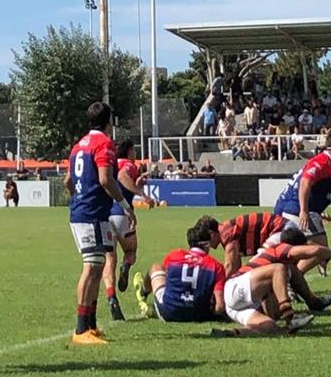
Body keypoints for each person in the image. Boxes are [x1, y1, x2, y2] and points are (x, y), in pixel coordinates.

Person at [65, 101, 135, 345]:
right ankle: (81, 329)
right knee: (92, 267)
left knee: (97, 266)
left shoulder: (78, 146)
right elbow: (106, 179)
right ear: (109, 122)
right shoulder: (104, 143)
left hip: (90, 212)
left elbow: (67, 181)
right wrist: (125, 206)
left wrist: (78, 198)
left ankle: (91, 325)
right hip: (91, 213)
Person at [211, 229, 331, 337]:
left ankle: (231, 333)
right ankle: (290, 317)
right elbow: (316, 250)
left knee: (271, 327)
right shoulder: (281, 248)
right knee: (279, 268)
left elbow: (271, 307)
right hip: (236, 286)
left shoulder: (280, 266)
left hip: (235, 305)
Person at [269, 131, 331, 276]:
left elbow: (328, 195)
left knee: (301, 250)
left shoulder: (330, 164)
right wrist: (303, 211)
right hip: (296, 208)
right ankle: (290, 279)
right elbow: (305, 183)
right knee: (319, 250)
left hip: (298, 208)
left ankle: (288, 279)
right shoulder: (322, 162)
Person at [134, 217, 227, 322]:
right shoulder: (216, 266)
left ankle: (143, 293)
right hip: (198, 315)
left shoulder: (174, 256)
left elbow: (168, 279)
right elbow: (220, 307)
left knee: (155, 268)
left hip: (168, 313)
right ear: (207, 245)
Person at [103, 139, 154, 321]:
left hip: (105, 217)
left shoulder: (110, 164)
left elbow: (117, 181)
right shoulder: (128, 164)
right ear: (130, 151)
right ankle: (126, 266)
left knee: (109, 259)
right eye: (135, 150)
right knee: (131, 252)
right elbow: (124, 177)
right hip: (121, 215)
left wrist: (137, 184)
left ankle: (111, 297)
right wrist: (142, 194)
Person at [215, 210, 290, 277]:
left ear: (212, 233)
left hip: (281, 228)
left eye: (206, 242)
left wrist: (218, 286)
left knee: (256, 264)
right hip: (283, 227)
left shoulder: (226, 234)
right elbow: (235, 267)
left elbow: (229, 266)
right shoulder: (226, 229)